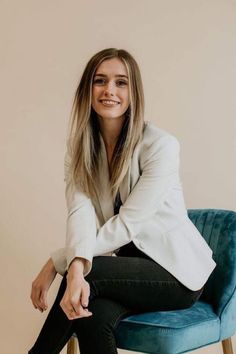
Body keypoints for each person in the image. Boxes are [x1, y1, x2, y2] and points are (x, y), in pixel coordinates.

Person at [28, 48, 216, 354]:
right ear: (87, 90)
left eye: (121, 82)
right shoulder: (79, 150)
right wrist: (72, 264)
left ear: (134, 92)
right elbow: (80, 212)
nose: (109, 91)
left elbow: (128, 224)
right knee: (90, 316)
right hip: (129, 272)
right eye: (100, 81)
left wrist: (60, 262)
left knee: (90, 272)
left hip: (176, 276)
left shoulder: (161, 146)